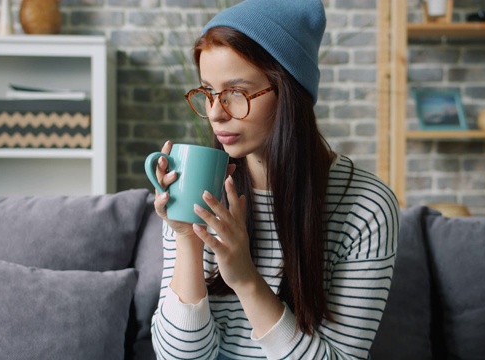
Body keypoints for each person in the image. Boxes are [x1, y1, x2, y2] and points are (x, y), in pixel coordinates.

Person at [149, 0, 400, 359]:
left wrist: (246, 278)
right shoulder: (196, 184)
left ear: (289, 92)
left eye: (236, 93)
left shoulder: (365, 205)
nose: (216, 114)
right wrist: (187, 235)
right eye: (207, 92)